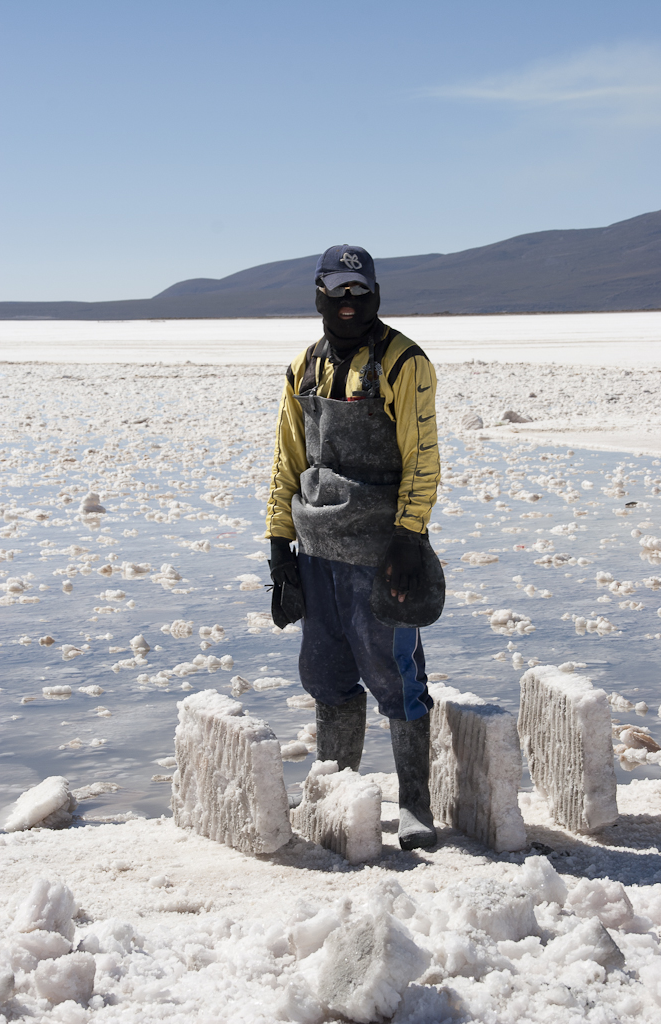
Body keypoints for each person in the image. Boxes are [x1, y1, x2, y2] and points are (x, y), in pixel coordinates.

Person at [265, 244, 443, 850]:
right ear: (318, 294)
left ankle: (415, 805)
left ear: (375, 294)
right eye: (336, 291)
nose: (348, 303)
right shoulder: (302, 368)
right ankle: (337, 796)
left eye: (358, 291)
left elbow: (422, 457)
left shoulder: (403, 363)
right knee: (326, 675)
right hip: (316, 551)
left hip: (379, 554)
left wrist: (407, 537)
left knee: (396, 678)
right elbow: (289, 459)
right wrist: (279, 547)